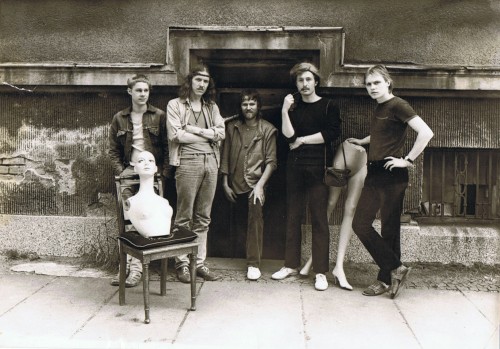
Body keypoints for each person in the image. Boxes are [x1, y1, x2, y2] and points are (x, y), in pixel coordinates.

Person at [349, 65, 433, 299]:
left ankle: (385, 279)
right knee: (361, 224)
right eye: (368, 84)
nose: (372, 88)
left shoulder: (398, 105)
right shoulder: (380, 107)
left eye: (376, 82)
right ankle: (396, 269)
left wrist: (407, 160)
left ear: (388, 82)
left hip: (391, 174)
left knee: (389, 229)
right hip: (375, 172)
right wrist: (364, 140)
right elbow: (382, 133)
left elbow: (426, 133)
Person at [271, 62, 341, 291]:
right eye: (300, 80)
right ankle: (290, 264)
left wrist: (303, 140)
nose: (304, 84)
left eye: (308, 79)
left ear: (316, 81)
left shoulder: (329, 105)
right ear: (296, 84)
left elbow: (332, 133)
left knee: (319, 219)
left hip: (319, 169)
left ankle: (320, 271)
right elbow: (289, 137)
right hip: (295, 168)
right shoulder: (293, 108)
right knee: (293, 215)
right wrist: (284, 109)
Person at [108, 74, 169, 287]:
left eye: (146, 91)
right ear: (130, 92)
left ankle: (137, 270)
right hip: (128, 175)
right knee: (127, 220)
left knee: (148, 219)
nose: (143, 94)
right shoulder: (119, 118)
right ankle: (124, 267)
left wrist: (162, 172)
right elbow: (113, 150)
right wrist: (121, 171)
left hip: (151, 177)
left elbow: (167, 146)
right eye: (138, 90)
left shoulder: (159, 116)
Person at [167, 65, 225, 283]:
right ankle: (182, 263)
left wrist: (196, 130)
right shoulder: (176, 105)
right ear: (190, 81)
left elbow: (221, 133)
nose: (202, 84)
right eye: (198, 79)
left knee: (203, 217)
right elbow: (176, 136)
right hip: (187, 162)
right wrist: (208, 136)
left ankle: (199, 263)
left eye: (206, 81)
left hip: (211, 161)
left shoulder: (211, 107)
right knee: (184, 216)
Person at [221, 89, 278, 281]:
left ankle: (253, 264)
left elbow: (271, 162)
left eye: (252, 103)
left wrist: (260, 186)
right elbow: (225, 156)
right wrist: (225, 182)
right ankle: (237, 257)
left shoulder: (267, 129)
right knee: (237, 222)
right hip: (234, 184)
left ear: (258, 106)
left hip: (256, 184)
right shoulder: (232, 128)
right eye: (245, 104)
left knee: (255, 221)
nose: (248, 107)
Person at [299, 140, 367, 291]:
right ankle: (313, 260)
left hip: (364, 158)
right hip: (344, 152)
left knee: (351, 208)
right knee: (330, 204)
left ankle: (339, 267)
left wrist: (364, 141)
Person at [124, 151, 173, 238]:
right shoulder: (132, 202)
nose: (146, 163)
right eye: (141, 161)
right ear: (135, 168)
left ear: (156, 168)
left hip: (168, 245)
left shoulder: (164, 202)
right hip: (147, 245)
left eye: (151, 160)